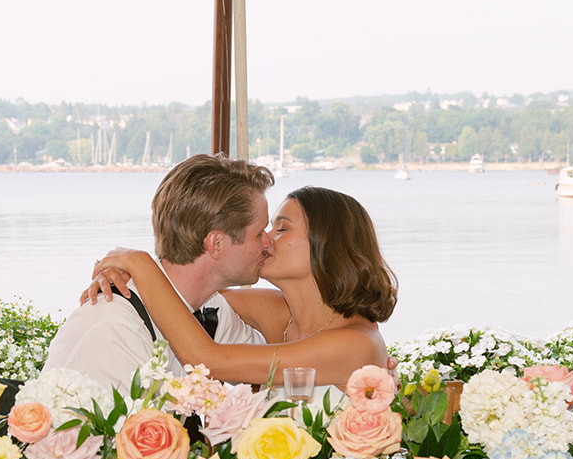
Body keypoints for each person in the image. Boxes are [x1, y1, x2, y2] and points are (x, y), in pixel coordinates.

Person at [88, 186, 396, 386]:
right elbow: (186, 290)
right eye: (266, 228)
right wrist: (118, 271)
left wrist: (141, 263)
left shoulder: (357, 344)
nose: (265, 240)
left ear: (328, 246)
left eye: (281, 229)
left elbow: (208, 361)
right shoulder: (278, 311)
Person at [39, 153, 275, 389]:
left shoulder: (214, 309)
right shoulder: (115, 327)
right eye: (259, 233)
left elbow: (267, 378)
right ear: (217, 244)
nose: (268, 242)